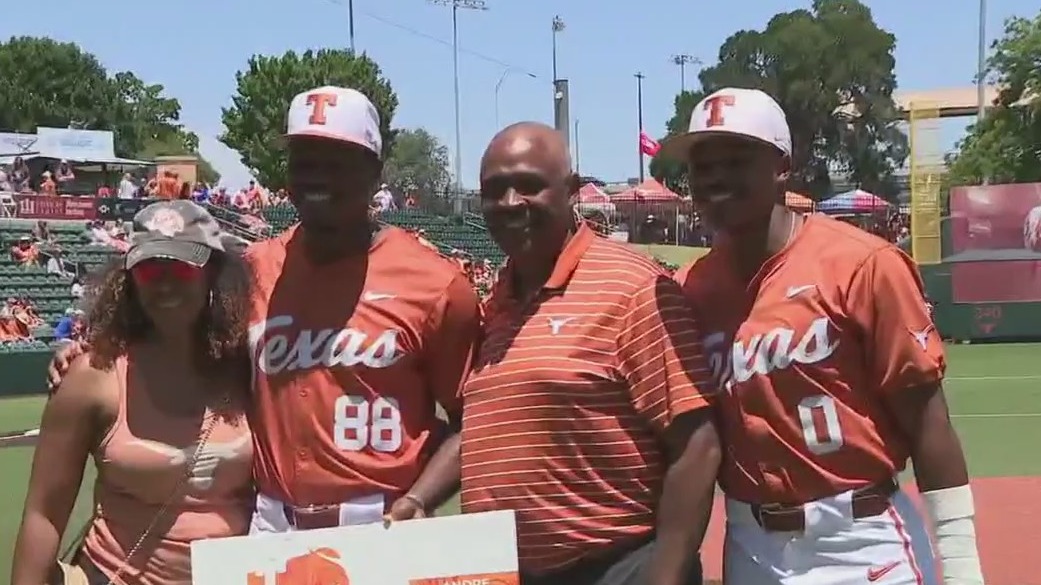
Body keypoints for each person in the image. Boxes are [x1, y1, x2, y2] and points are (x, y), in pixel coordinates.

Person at [49, 85, 481, 535]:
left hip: (385, 526)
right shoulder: (252, 271)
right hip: (271, 529)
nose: (316, 178)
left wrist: (418, 500)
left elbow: (473, 419)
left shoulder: (436, 284)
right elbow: (171, 335)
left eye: (335, 163)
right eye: (303, 161)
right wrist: (89, 352)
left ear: (374, 171)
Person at [659, 87, 983, 585]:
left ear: (781, 166)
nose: (716, 177)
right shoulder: (691, 290)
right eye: (704, 165)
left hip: (859, 538)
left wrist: (962, 567)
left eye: (737, 158)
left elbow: (928, 422)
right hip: (751, 546)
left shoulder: (862, 265)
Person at [462, 122, 720, 585]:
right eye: (494, 190)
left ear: (571, 191)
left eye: (529, 185)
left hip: (618, 565)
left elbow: (697, 443)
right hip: (506, 571)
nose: (510, 203)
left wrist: (664, 575)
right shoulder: (498, 299)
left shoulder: (633, 286)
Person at [14, 200, 254, 585]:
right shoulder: (93, 376)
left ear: (213, 274)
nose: (164, 282)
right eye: (148, 269)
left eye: (180, 268)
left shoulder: (253, 367)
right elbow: (43, 515)